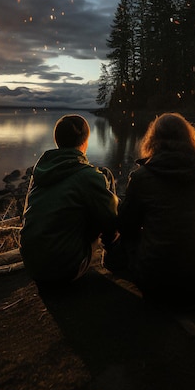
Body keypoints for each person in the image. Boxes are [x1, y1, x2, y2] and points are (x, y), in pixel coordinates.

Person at [116, 112, 195, 307]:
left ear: (153, 140)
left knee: (115, 251)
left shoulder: (141, 177)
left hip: (156, 283)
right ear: (189, 140)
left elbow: (126, 227)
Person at [20, 114, 119, 284]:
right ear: (85, 141)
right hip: (65, 269)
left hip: (32, 264)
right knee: (104, 188)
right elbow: (112, 219)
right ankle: (114, 256)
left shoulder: (41, 170)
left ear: (57, 141)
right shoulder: (88, 176)